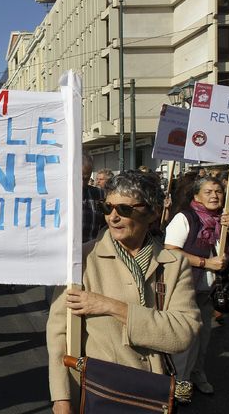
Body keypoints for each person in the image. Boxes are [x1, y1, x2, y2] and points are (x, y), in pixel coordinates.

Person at [47, 170, 201, 414]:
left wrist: (110, 306)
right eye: (107, 208)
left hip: (152, 394)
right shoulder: (81, 260)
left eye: (124, 209)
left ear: (152, 212)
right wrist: (61, 398)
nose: (113, 217)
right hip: (100, 392)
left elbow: (183, 334)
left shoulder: (174, 264)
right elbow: (58, 334)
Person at [165, 176, 229, 394]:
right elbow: (170, 251)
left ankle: (197, 374)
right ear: (196, 196)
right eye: (208, 192)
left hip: (210, 291)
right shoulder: (185, 218)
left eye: (218, 191)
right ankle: (178, 384)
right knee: (185, 338)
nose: (214, 196)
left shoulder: (226, 219)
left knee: (203, 338)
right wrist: (205, 263)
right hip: (185, 288)